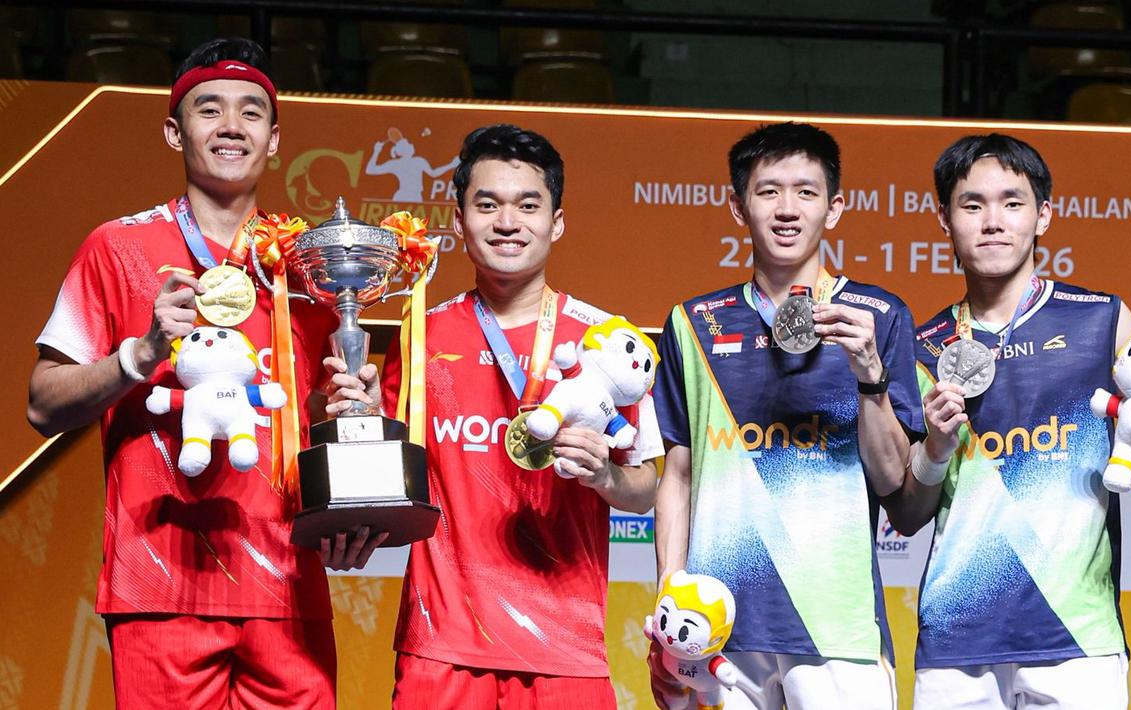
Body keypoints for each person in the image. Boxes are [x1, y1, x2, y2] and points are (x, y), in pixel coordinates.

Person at [26, 38, 376, 708]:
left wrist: (348, 476)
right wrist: (142, 352)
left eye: (250, 112)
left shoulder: (309, 264)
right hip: (158, 583)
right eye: (208, 109)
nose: (230, 126)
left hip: (286, 582)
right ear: (173, 129)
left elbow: (325, 412)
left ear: (274, 139)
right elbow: (44, 405)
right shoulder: (118, 247)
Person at [885, 133, 1131, 710]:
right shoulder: (924, 346)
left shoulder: (1103, 319)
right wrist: (934, 446)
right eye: (972, 205)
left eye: (1012, 202)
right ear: (943, 219)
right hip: (956, 639)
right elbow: (905, 513)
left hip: (1076, 637)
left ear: (1044, 215)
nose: (993, 222)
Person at [368, 124, 663, 708]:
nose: (508, 222)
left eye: (528, 206)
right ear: (458, 221)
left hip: (567, 651)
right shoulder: (421, 333)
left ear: (556, 222)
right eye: (488, 205)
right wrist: (361, 417)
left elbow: (646, 489)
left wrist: (605, 477)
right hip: (441, 645)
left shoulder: (609, 341)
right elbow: (395, 480)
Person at [650, 122, 924, 710]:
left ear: (836, 207)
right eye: (768, 190)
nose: (787, 209)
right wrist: (670, 599)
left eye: (806, 192)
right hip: (716, 630)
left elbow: (893, 484)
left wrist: (870, 375)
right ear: (737, 205)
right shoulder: (693, 323)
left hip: (837, 629)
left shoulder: (880, 316)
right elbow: (678, 471)